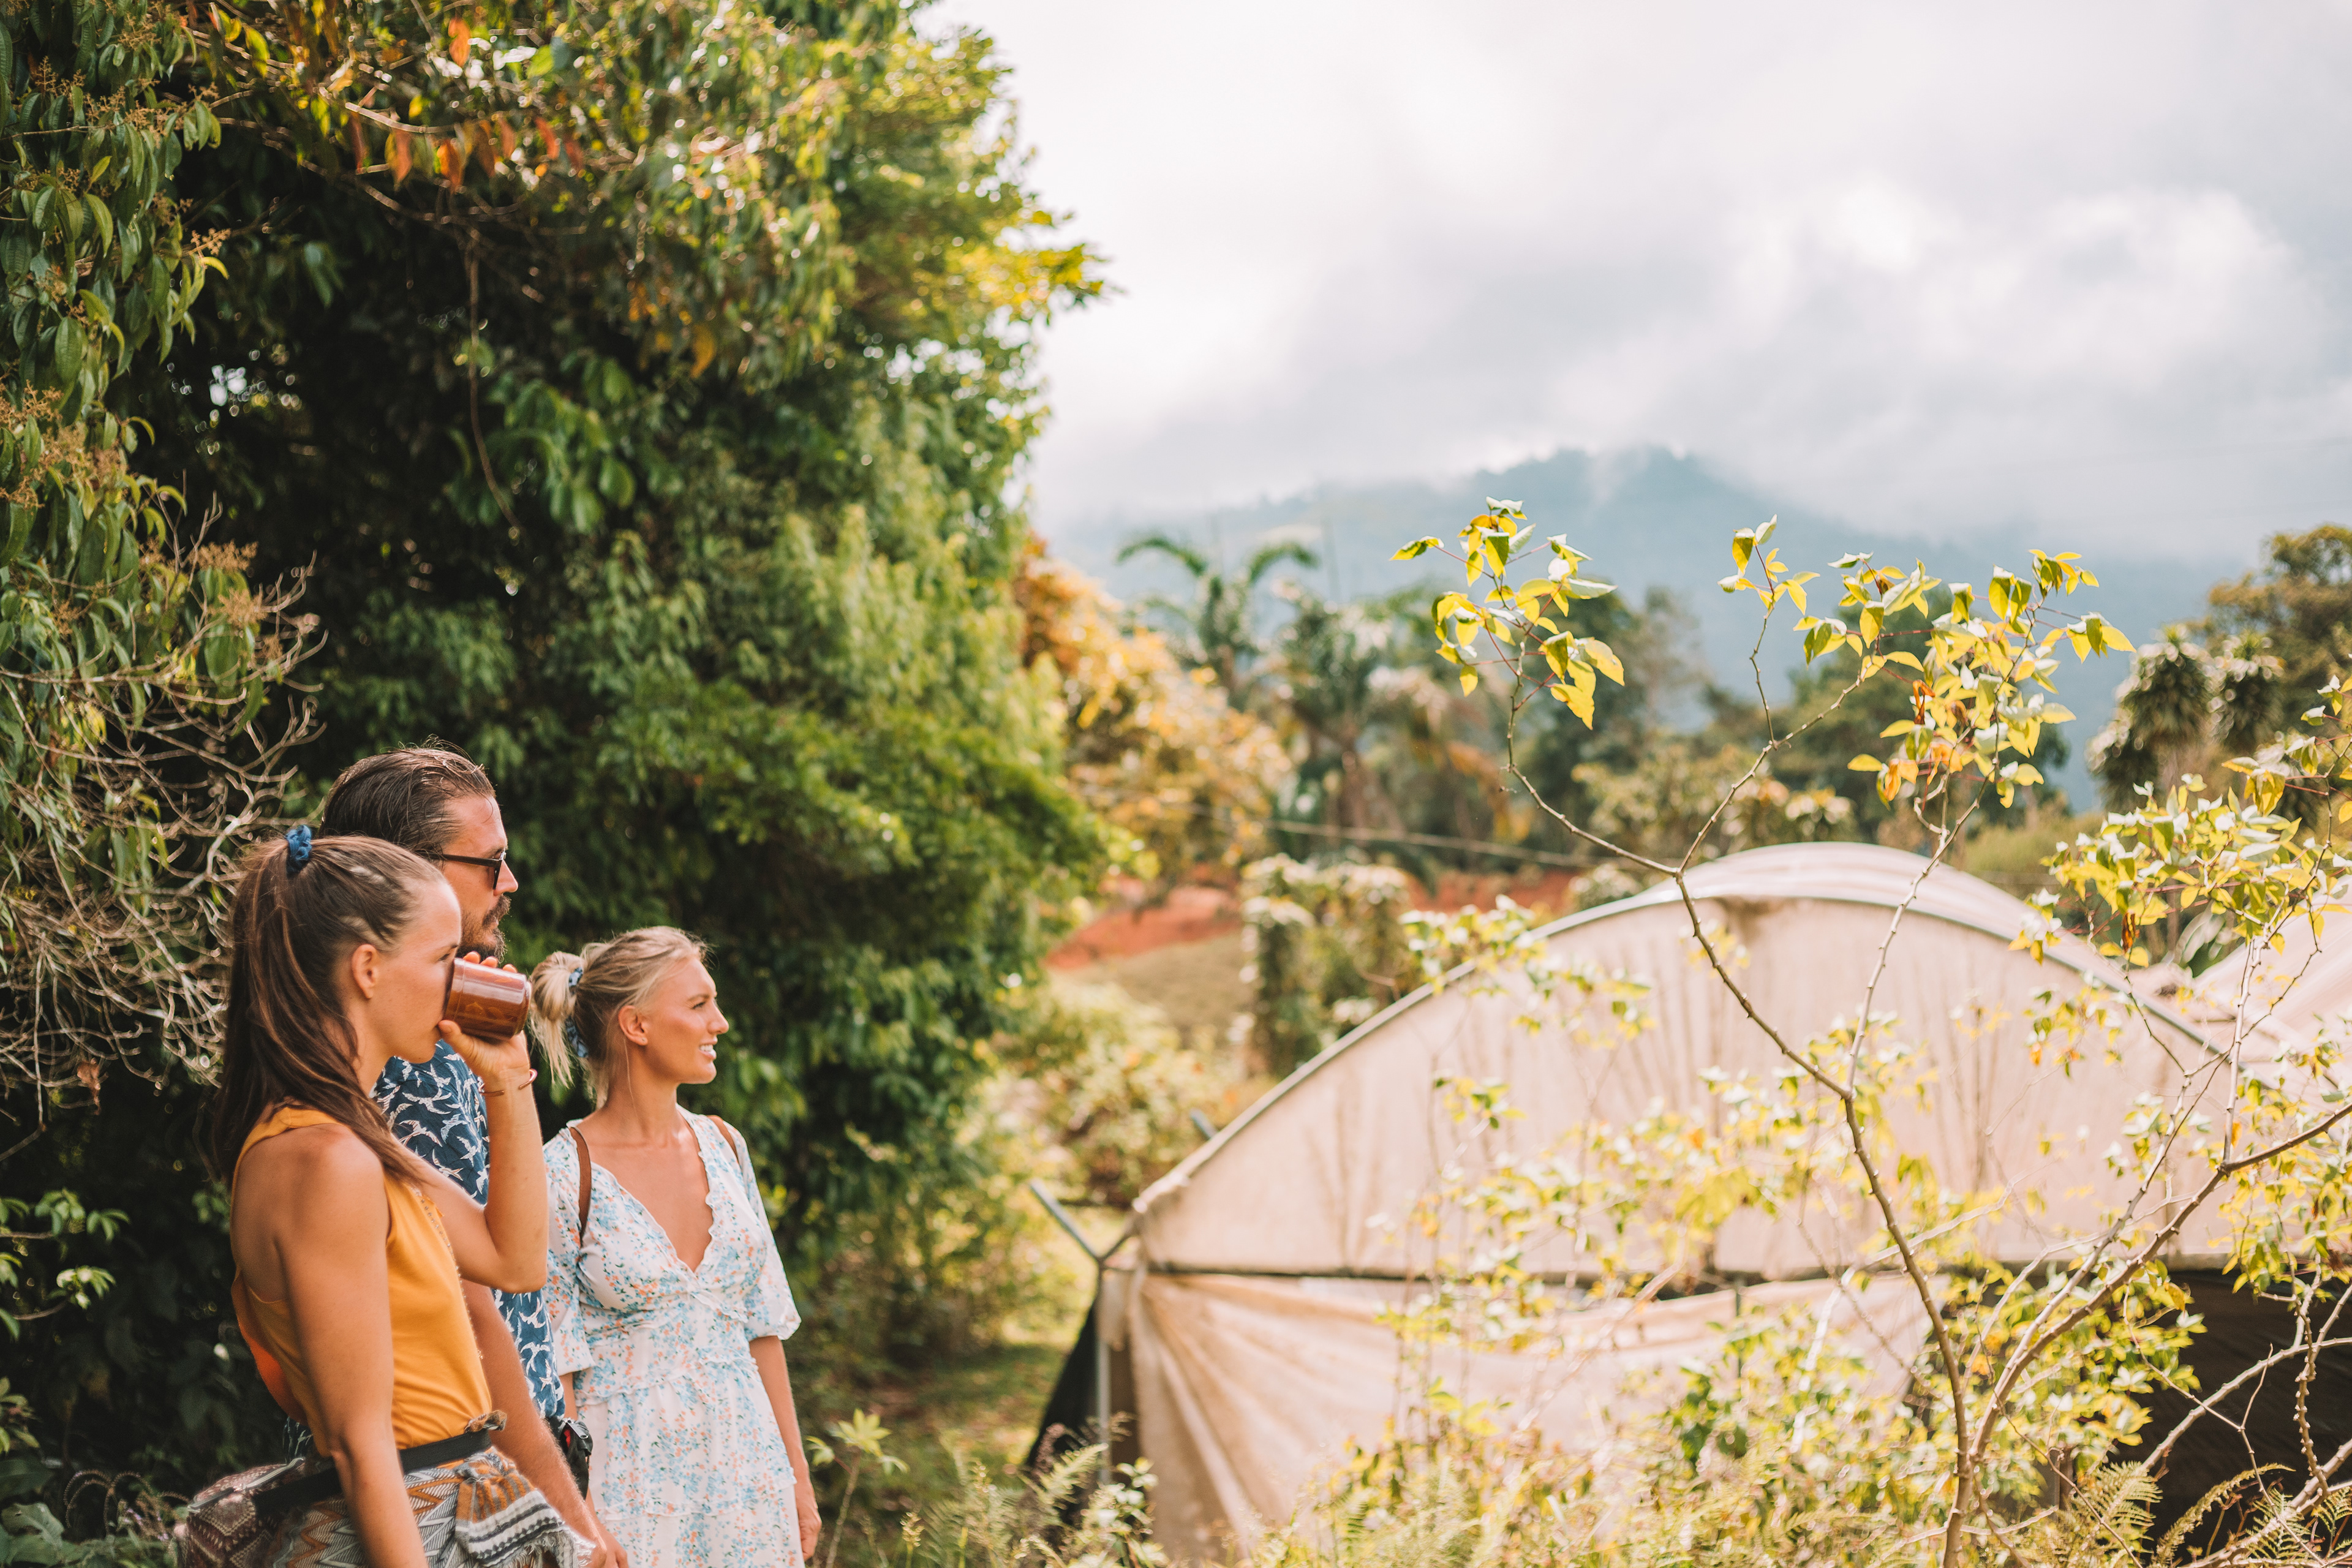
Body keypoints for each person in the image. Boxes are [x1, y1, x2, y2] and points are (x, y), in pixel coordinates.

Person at [212, 829, 578, 1567]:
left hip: (448, 1507)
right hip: (406, 1527)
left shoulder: (352, 1139)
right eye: (444, 959)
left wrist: (506, 1082)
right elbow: (360, 1441)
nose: (460, 983)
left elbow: (516, 1260)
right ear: (368, 969)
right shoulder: (326, 1160)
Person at [316, 745, 625, 1568]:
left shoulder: (438, 1044)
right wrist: (572, 1518)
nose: (510, 883)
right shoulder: (404, 1068)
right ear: (404, 875)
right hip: (449, 1501)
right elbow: (473, 1314)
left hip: (488, 1479)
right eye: (490, 864)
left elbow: (521, 1276)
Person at [530, 929, 821, 1567]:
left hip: (750, 1482)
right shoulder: (559, 1175)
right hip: (630, 1492)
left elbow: (762, 1328)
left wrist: (797, 1479)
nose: (719, 1022)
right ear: (635, 1024)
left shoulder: (725, 1144)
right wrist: (581, 1522)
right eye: (698, 1005)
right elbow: (558, 1370)